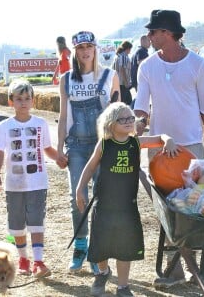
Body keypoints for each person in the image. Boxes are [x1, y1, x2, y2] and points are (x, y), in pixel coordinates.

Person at [133, 9, 204, 289]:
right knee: (167, 211)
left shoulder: (198, 65)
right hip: (160, 149)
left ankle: (188, 266)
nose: (149, 37)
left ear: (168, 34)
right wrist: (136, 126)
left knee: (191, 208)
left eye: (153, 32)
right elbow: (142, 107)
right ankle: (176, 273)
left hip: (191, 147)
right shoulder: (147, 66)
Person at [76, 102, 179, 297]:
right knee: (101, 246)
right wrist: (80, 188)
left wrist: (169, 140)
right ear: (110, 123)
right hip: (104, 204)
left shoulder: (136, 142)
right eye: (122, 119)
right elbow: (90, 168)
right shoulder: (104, 143)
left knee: (125, 247)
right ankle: (103, 273)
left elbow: (160, 138)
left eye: (131, 118)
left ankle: (123, 286)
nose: (129, 122)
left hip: (127, 206)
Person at [56, 31, 120, 275]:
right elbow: (63, 117)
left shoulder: (109, 76)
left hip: (102, 145)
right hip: (78, 146)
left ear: (95, 49)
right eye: (80, 47)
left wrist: (116, 145)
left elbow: (118, 114)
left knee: (102, 199)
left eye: (89, 47)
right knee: (78, 197)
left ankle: (97, 251)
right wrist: (60, 146)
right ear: (74, 51)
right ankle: (80, 246)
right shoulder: (67, 79)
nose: (85, 51)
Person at [0, 79, 67, 278]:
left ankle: (39, 261)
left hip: (37, 183)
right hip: (14, 185)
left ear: (33, 101)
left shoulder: (40, 124)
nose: (23, 103)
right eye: (19, 99)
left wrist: (58, 157)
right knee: (17, 225)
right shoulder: (4, 126)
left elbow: (47, 148)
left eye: (27, 99)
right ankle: (24, 259)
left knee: (36, 223)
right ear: (10, 102)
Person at [112, 40, 133, 105]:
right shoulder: (123, 56)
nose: (130, 51)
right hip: (122, 83)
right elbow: (122, 69)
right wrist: (126, 82)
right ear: (128, 48)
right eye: (130, 49)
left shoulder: (118, 56)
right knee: (125, 102)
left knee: (128, 100)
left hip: (119, 82)